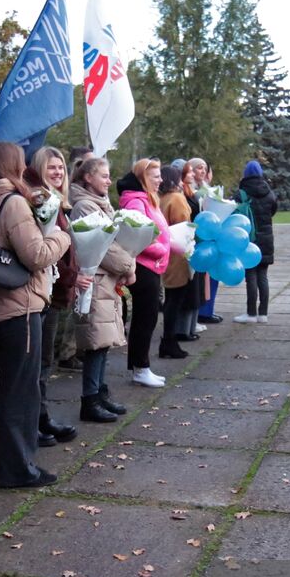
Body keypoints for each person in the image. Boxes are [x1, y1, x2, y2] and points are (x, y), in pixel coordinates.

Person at [0, 141, 71, 488]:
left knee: (15, 388)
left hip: (1, 306)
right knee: (20, 391)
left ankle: (19, 462)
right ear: (11, 165)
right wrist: (62, 237)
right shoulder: (12, 203)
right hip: (19, 307)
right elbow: (38, 254)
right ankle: (18, 468)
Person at [68, 155, 136, 422]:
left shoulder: (100, 203)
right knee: (96, 340)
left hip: (106, 281)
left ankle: (100, 392)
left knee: (104, 339)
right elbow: (104, 246)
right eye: (104, 176)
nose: (109, 181)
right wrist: (128, 265)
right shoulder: (85, 207)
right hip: (95, 281)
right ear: (88, 178)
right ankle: (90, 398)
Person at [26, 146, 85, 446]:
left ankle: (41, 416)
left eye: (61, 167)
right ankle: (34, 420)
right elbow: (47, 248)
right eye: (52, 167)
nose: (58, 172)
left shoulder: (59, 203)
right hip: (43, 290)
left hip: (57, 290)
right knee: (40, 361)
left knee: (45, 359)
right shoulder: (41, 202)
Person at [117, 158, 171, 386]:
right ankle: (140, 368)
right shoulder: (136, 202)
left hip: (151, 266)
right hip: (144, 267)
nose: (160, 180)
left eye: (160, 176)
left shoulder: (147, 199)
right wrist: (161, 249)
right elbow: (136, 234)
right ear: (142, 178)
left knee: (148, 318)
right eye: (155, 176)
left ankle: (142, 366)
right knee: (144, 319)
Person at [234, 160, 278, 323]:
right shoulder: (269, 192)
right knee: (263, 277)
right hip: (266, 239)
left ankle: (251, 313)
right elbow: (272, 211)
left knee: (250, 276)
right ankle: (263, 314)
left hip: (248, 239)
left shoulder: (242, 193)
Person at [158, 164, 194, 359]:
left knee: (171, 298)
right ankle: (169, 341)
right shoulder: (177, 199)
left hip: (166, 254)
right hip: (178, 255)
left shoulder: (161, 199)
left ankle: (168, 340)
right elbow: (184, 226)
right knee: (175, 300)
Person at [190, 158, 224, 325]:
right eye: (199, 168)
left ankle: (207, 310)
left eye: (204, 168)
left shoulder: (205, 190)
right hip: (197, 239)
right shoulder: (190, 191)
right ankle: (201, 314)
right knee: (199, 280)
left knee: (209, 278)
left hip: (209, 238)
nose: (202, 171)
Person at [176, 163, 206, 341]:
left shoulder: (189, 192)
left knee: (195, 288)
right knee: (187, 290)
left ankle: (190, 327)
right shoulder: (180, 196)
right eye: (189, 172)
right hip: (184, 244)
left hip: (193, 243)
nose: (193, 174)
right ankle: (182, 330)